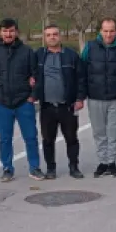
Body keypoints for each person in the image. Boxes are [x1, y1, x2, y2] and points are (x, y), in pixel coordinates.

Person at [0, 18, 43, 182]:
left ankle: (34, 167)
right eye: (5, 31)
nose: (8, 34)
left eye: (11, 31)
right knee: (5, 138)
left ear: (16, 32)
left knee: (31, 137)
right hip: (2, 103)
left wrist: (33, 96)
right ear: (0, 32)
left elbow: (36, 75)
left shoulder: (27, 51)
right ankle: (7, 168)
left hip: (24, 101)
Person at [34, 24, 87, 179]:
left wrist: (79, 98)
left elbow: (81, 78)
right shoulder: (38, 55)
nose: (52, 37)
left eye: (55, 34)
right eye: (49, 35)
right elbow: (30, 74)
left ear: (60, 36)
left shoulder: (71, 55)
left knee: (71, 138)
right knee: (47, 139)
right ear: (44, 38)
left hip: (68, 106)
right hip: (46, 106)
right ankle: (51, 168)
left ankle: (74, 167)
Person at [82, 17, 116, 178]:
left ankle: (112, 162)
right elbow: (82, 72)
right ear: (100, 31)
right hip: (95, 97)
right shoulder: (90, 47)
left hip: (115, 97)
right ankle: (102, 161)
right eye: (105, 31)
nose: (108, 34)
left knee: (114, 132)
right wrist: (81, 95)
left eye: (112, 31)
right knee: (99, 132)